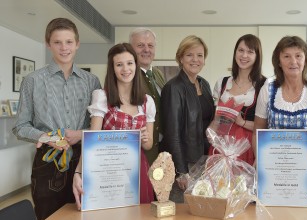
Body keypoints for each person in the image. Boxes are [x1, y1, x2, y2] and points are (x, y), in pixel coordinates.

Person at [12, 18, 101, 220]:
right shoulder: (32, 81)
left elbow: (97, 124)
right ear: (47, 43)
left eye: (69, 42)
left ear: (77, 44)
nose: (64, 48)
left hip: (83, 160)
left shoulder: (92, 81)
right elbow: (20, 127)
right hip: (48, 163)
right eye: (57, 42)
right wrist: (45, 137)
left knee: (85, 219)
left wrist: (80, 134)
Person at [252, 36, 307, 214]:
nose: (293, 61)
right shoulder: (268, 89)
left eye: (298, 55)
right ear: (279, 60)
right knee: (274, 219)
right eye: (287, 56)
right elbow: (257, 132)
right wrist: (260, 160)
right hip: (275, 171)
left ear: (305, 59)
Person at [72, 43, 155, 209]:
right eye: (119, 64)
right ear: (112, 69)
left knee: (140, 218)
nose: (126, 69)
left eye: (130, 63)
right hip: (108, 169)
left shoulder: (147, 102)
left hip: (137, 169)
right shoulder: (102, 97)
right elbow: (92, 140)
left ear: (136, 65)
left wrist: (144, 138)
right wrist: (79, 172)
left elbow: (148, 144)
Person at [161, 35, 215, 203]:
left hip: (205, 160)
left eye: (200, 55)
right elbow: (172, 133)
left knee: (201, 210)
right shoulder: (173, 88)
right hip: (185, 163)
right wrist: (181, 171)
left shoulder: (204, 84)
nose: (195, 60)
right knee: (182, 213)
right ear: (181, 58)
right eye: (189, 55)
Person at [210, 34, 266, 166]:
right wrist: (210, 133)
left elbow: (266, 126)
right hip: (221, 146)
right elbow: (215, 121)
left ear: (257, 56)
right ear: (235, 52)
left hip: (247, 147)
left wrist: (242, 122)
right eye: (241, 50)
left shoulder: (264, 85)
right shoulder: (222, 83)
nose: (244, 55)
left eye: (250, 52)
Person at [129, 28, 166, 166]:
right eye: (140, 45)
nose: (146, 49)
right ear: (130, 49)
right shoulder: (127, 75)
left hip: (160, 149)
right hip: (138, 150)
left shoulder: (158, 74)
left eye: (150, 45)